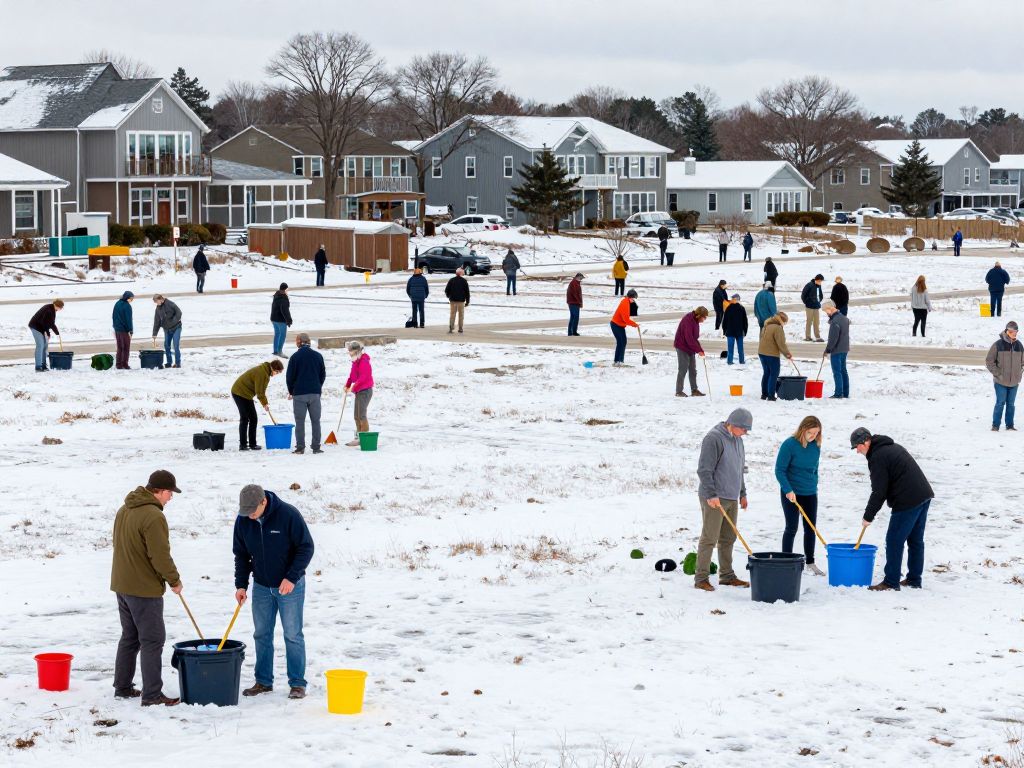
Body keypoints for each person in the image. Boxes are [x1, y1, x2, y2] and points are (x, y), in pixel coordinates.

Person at [110, 469, 183, 707]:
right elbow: (160, 556)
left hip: (122, 585)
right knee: (152, 640)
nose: (171, 498)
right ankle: (152, 695)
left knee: (130, 637)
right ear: (159, 491)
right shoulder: (153, 516)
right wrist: (174, 580)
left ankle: (122, 687)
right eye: (170, 493)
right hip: (143, 589)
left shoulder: (125, 509)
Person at [234, 484, 314, 700]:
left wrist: (291, 577)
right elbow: (241, 555)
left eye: (253, 511)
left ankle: (297, 683)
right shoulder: (243, 520)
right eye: (245, 511)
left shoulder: (288, 514)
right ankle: (263, 682)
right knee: (261, 634)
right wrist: (241, 585)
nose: (249, 516)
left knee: (292, 634)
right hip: (261, 586)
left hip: (289, 586)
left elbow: (306, 547)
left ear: (264, 502)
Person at [851, 428, 934, 591]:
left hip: (908, 500)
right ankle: (914, 579)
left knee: (894, 541)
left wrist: (868, 515)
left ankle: (891, 581)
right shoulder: (889, 447)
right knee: (915, 540)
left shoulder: (878, 457)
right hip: (923, 495)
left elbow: (879, 491)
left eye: (857, 447)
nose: (857, 451)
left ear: (866, 441)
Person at [694, 408, 753, 591]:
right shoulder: (714, 438)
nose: (745, 433)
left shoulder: (738, 440)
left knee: (728, 538)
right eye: (744, 429)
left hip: (731, 496)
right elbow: (704, 470)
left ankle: (727, 576)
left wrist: (742, 493)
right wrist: (711, 495)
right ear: (733, 424)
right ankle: (701, 578)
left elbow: (739, 469)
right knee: (710, 537)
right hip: (714, 497)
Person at [775, 417, 824, 576]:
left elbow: (814, 469)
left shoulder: (816, 446)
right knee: (791, 527)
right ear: (803, 429)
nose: (813, 436)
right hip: (791, 493)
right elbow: (780, 470)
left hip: (809, 492)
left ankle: (810, 561)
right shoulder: (789, 445)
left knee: (810, 528)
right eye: (810, 433)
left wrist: (814, 484)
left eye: (816, 433)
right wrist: (788, 490)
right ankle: (785, 561)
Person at [231, 359, 284, 451]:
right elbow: (259, 392)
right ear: (273, 368)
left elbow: (261, 391)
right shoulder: (262, 373)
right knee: (244, 418)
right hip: (239, 392)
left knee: (253, 418)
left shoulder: (265, 372)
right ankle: (243, 445)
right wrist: (265, 404)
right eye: (277, 372)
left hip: (247, 395)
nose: (276, 374)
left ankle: (252, 444)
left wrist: (265, 403)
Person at [286, 333, 326, 454]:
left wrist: (291, 391)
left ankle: (300, 447)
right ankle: (316, 447)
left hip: (299, 394)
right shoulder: (318, 356)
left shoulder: (295, 357)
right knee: (316, 421)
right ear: (308, 341)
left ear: (299, 342)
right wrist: (317, 387)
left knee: (299, 422)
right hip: (314, 393)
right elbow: (322, 374)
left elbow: (289, 377)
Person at [985, 320, 1023, 432]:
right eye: (1011, 331)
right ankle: (995, 425)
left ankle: (1010, 425)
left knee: (1011, 404)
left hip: (1014, 382)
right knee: (1000, 403)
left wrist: (1019, 373)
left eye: (1016, 331)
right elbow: (989, 361)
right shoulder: (998, 344)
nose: (1014, 334)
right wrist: (998, 374)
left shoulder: (1019, 345)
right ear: (1006, 331)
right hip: (1000, 381)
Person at [344, 340, 374, 447]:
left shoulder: (364, 361)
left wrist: (354, 386)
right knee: (356, 416)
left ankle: (363, 436)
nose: (350, 354)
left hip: (365, 391)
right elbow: (352, 375)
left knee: (361, 415)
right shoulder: (355, 362)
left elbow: (363, 377)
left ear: (357, 351)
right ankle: (358, 437)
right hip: (359, 391)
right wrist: (348, 384)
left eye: (351, 352)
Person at [673, 306, 708, 397]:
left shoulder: (695, 321)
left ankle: (694, 390)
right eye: (704, 317)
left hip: (690, 347)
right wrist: (698, 350)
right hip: (682, 346)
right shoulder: (688, 320)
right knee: (683, 369)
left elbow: (694, 338)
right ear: (699, 315)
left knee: (693, 370)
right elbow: (689, 338)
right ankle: (678, 391)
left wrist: (700, 350)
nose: (704, 320)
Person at [758, 312, 793, 401]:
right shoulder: (777, 328)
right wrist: (787, 354)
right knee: (774, 374)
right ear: (781, 321)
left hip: (762, 352)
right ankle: (771, 396)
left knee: (766, 373)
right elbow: (781, 344)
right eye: (785, 322)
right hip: (771, 354)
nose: (784, 324)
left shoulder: (766, 325)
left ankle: (764, 394)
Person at [822, 299, 850, 399]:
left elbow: (833, 338)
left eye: (826, 311)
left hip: (836, 350)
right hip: (844, 349)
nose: (826, 313)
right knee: (843, 370)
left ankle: (838, 393)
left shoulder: (835, 321)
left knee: (837, 372)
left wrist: (828, 350)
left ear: (830, 308)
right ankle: (845, 393)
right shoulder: (844, 318)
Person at [28, 299, 63, 372]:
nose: (61, 309)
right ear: (57, 306)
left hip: (41, 328)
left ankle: (43, 365)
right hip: (35, 327)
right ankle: (38, 366)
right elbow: (44, 322)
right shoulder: (48, 310)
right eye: (61, 308)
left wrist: (57, 333)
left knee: (45, 345)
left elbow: (51, 323)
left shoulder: (52, 310)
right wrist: (47, 333)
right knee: (40, 345)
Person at [151, 295, 182, 369]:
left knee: (175, 345)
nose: (156, 304)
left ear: (160, 299)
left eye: (156, 302)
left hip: (176, 328)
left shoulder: (170, 304)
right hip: (167, 329)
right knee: (167, 345)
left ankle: (177, 363)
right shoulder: (158, 308)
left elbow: (179, 313)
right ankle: (169, 362)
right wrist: (154, 334)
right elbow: (157, 321)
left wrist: (173, 322)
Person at [610, 289, 639, 366]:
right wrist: (634, 324)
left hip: (619, 325)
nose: (633, 300)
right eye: (633, 299)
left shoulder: (626, 301)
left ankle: (618, 360)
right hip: (616, 325)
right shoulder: (625, 303)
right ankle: (619, 361)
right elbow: (625, 319)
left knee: (622, 342)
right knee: (622, 342)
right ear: (630, 297)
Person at [722, 293, 748, 365]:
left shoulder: (728, 308)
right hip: (739, 332)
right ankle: (742, 361)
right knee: (740, 349)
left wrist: (724, 331)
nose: (731, 300)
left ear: (735, 299)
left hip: (730, 332)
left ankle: (730, 361)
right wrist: (745, 331)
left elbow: (725, 321)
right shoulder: (742, 308)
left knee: (730, 349)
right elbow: (745, 321)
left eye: (732, 299)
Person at [113, 291, 135, 370]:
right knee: (126, 347)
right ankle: (125, 364)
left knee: (120, 347)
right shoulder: (127, 306)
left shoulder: (117, 303)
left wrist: (115, 326)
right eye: (131, 298)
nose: (132, 300)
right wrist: (130, 330)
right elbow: (128, 319)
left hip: (117, 329)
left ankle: (118, 364)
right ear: (127, 297)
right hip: (124, 330)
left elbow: (114, 316)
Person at [445, 268, 470, 334]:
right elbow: (467, 292)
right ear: (461, 273)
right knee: (461, 315)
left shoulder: (451, 280)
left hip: (453, 301)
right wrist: (467, 301)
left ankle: (451, 327)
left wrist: (449, 296)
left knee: (452, 315)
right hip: (461, 301)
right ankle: (460, 328)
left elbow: (446, 290)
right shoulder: (464, 281)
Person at [801, 273, 825, 342]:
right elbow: (803, 295)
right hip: (809, 307)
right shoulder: (809, 285)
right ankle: (808, 337)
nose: (821, 282)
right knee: (809, 321)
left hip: (816, 306)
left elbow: (820, 295)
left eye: (821, 281)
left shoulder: (819, 286)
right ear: (817, 280)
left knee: (816, 322)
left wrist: (819, 300)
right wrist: (807, 302)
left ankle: (817, 336)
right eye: (820, 281)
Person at [271, 283, 292, 357]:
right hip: (280, 320)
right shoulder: (283, 298)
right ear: (285, 289)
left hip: (274, 318)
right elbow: (285, 311)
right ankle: (280, 352)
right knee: (282, 335)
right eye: (287, 289)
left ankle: (275, 351)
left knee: (277, 334)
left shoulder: (276, 295)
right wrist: (289, 320)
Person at [566, 272, 584, 336]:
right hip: (573, 303)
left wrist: (580, 302)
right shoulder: (573, 283)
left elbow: (579, 294)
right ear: (577, 277)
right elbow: (575, 294)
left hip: (575, 302)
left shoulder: (576, 283)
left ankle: (573, 331)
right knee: (574, 317)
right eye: (581, 278)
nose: (581, 279)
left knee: (574, 317)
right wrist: (579, 302)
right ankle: (571, 332)